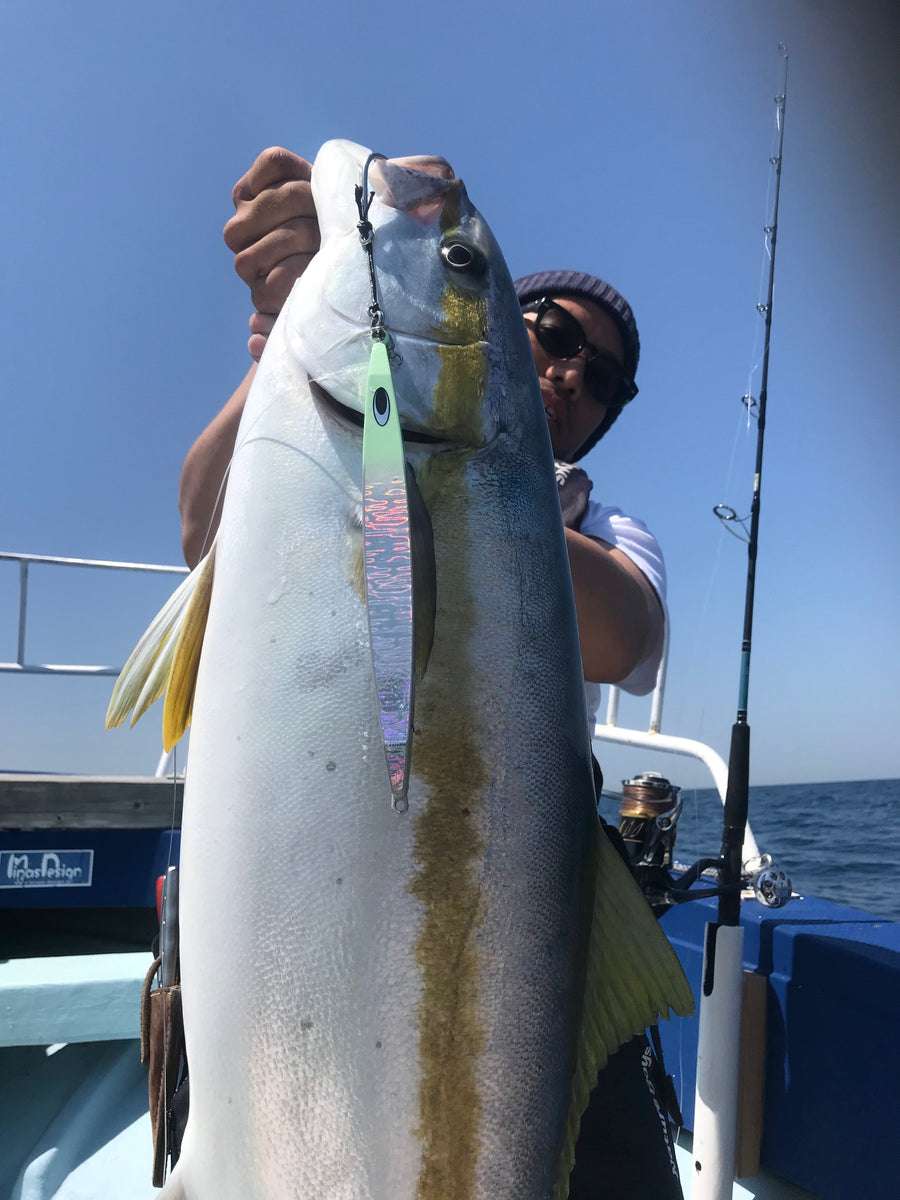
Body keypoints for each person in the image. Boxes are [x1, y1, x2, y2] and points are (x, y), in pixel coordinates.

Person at [178, 148, 682, 1199]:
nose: (571, 376)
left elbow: (628, 637)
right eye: (548, 337)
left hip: (510, 892)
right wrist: (289, 339)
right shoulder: (340, 406)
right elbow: (200, 529)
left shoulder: (609, 521)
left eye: (606, 380)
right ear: (503, 331)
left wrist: (464, 466)